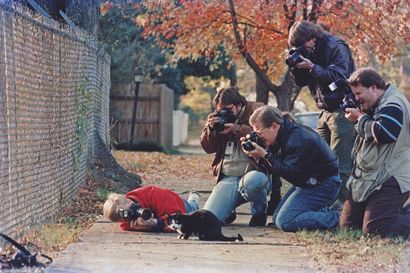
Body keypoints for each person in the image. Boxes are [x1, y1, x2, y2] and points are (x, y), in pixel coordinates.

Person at [242, 105, 341, 232]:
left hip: (324, 184)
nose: (259, 137)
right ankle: (320, 210)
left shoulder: (298, 139)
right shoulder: (282, 135)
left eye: (260, 133)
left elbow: (292, 174)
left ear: (274, 126)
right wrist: (257, 154)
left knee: (285, 221)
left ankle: (337, 217)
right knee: (278, 217)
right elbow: (275, 168)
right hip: (307, 182)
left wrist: (266, 155)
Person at [287, 20, 356, 203]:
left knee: (340, 164)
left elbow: (340, 78)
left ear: (311, 39)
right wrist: (295, 67)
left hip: (342, 110)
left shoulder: (335, 47)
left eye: (301, 46)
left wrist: (312, 67)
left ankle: (343, 213)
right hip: (324, 112)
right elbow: (301, 82)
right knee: (318, 161)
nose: (300, 49)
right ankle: (321, 205)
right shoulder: (310, 50)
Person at [340, 67, 410, 237]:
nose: (356, 99)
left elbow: (384, 134)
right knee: (348, 229)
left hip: (392, 175)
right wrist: (362, 117)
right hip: (370, 176)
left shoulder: (393, 104)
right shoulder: (376, 104)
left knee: (376, 232)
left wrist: (360, 118)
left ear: (374, 87)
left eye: (359, 93)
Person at [200, 87, 273, 226]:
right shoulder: (218, 118)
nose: (223, 113)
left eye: (227, 109)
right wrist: (210, 129)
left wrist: (237, 129)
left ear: (239, 105)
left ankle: (259, 212)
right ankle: (228, 208)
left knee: (254, 182)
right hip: (228, 178)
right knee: (210, 220)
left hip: (253, 174)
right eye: (220, 109)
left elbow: (264, 133)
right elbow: (208, 148)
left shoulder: (257, 110)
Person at [103, 185, 199, 232]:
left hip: (178, 206)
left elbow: (179, 222)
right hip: (164, 211)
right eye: (124, 218)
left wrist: (155, 223)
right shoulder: (125, 221)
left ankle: (194, 198)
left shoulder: (152, 193)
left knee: (194, 210)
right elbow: (124, 225)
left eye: (129, 212)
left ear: (129, 201)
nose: (129, 216)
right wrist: (144, 228)